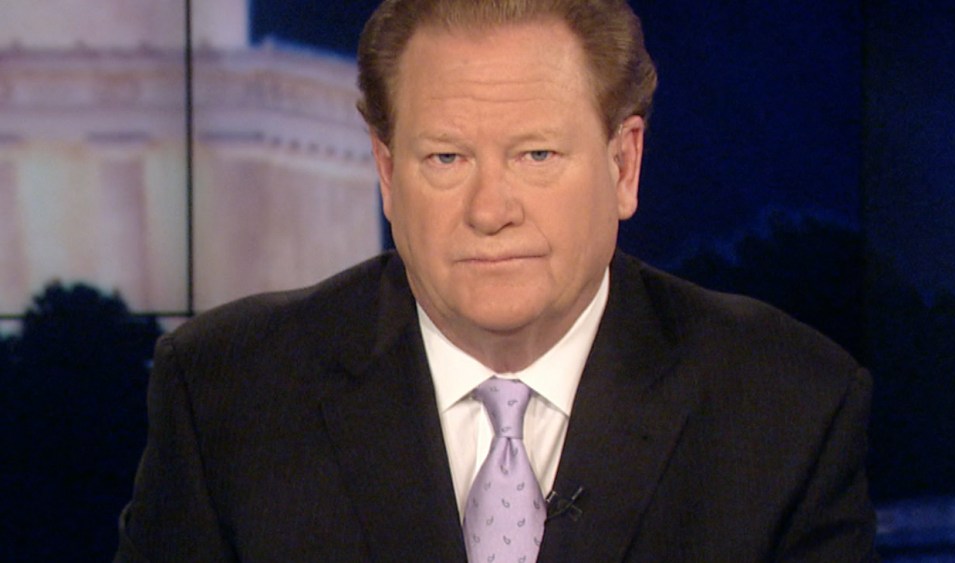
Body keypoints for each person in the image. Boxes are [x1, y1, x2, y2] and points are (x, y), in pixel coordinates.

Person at [115, 0, 878, 561]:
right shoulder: (227, 395)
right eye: (446, 158)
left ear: (624, 165)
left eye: (536, 155)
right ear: (387, 172)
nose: (490, 210)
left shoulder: (787, 404)